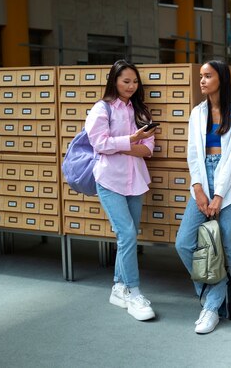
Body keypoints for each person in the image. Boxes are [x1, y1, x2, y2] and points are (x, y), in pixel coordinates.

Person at [175, 60, 231, 334]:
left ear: (221, 78)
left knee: (227, 247)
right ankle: (212, 296)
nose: (202, 81)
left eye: (208, 76)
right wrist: (198, 188)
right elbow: (193, 153)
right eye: (201, 77)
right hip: (203, 181)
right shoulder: (197, 113)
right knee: (184, 243)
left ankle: (210, 308)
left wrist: (218, 195)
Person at [85, 59, 157, 321]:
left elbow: (148, 150)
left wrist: (128, 144)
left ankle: (118, 287)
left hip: (136, 180)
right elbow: (99, 144)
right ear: (114, 80)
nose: (131, 86)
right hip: (110, 180)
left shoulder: (141, 111)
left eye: (135, 81)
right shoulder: (101, 109)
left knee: (127, 237)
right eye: (126, 81)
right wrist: (131, 140)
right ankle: (135, 293)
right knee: (127, 234)